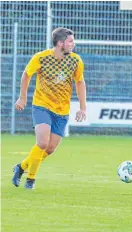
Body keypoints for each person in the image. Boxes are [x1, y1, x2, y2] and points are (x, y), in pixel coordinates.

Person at [12, 27, 87, 189]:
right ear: (60, 43)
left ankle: (22, 167)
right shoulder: (41, 57)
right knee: (42, 143)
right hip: (42, 106)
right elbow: (26, 74)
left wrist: (83, 108)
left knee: (50, 148)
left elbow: (80, 82)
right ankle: (31, 179)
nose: (73, 44)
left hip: (62, 111)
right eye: (70, 41)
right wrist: (22, 97)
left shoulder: (76, 60)